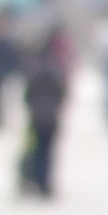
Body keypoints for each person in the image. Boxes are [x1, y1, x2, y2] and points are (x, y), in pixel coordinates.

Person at [19, 23, 73, 198]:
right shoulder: (55, 71)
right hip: (51, 119)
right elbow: (62, 93)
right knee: (48, 153)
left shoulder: (34, 70)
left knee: (36, 151)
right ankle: (45, 183)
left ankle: (35, 180)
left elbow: (27, 95)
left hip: (36, 118)